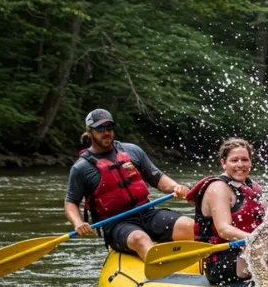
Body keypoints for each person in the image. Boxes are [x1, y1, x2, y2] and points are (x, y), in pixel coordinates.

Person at [64, 109, 193, 260]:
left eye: (109, 127)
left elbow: (157, 178)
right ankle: (161, 274)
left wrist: (175, 187)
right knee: (140, 238)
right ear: (89, 131)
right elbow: (71, 202)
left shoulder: (132, 151)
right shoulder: (81, 168)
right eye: (100, 128)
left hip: (146, 213)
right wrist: (78, 222)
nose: (106, 132)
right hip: (116, 224)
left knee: (189, 225)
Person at [186, 138, 268, 285]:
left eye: (245, 160)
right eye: (234, 160)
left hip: (250, 251)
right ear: (224, 163)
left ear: (250, 162)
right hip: (223, 261)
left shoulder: (252, 187)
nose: (240, 165)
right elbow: (224, 229)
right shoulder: (218, 188)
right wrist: (258, 240)